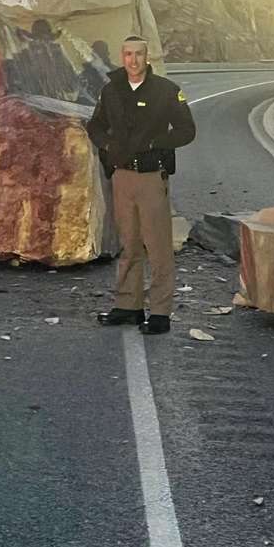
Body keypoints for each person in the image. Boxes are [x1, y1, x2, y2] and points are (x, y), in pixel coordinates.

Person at [86, 36, 196, 334]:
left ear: (147, 57)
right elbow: (94, 125)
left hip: (150, 177)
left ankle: (160, 313)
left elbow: (187, 130)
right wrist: (107, 145)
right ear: (122, 57)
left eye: (139, 54)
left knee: (158, 246)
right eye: (128, 54)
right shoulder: (111, 91)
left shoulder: (166, 91)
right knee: (129, 244)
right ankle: (128, 306)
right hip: (122, 177)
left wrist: (155, 143)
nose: (133, 60)